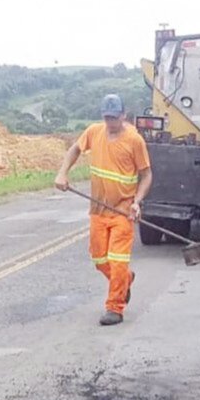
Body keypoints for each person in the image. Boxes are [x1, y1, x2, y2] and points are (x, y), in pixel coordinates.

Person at [54, 93, 152, 325]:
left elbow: (146, 175)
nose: (110, 123)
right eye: (107, 118)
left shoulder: (134, 140)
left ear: (123, 116)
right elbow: (75, 150)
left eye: (114, 118)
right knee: (100, 260)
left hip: (122, 211)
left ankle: (115, 308)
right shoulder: (93, 132)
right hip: (98, 210)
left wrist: (137, 202)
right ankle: (125, 280)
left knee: (117, 261)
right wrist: (62, 172)